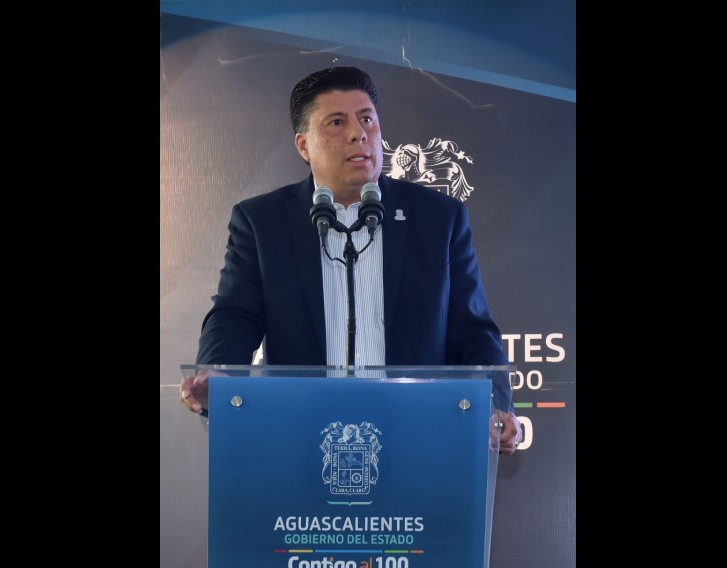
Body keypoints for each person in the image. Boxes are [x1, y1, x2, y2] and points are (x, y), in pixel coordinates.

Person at [179, 66, 522, 454]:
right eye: (337, 122)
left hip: (419, 441)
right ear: (304, 146)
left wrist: (496, 406)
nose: (358, 133)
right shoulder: (263, 222)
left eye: (366, 119)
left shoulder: (438, 218)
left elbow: (473, 331)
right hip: (304, 444)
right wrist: (219, 372)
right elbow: (234, 316)